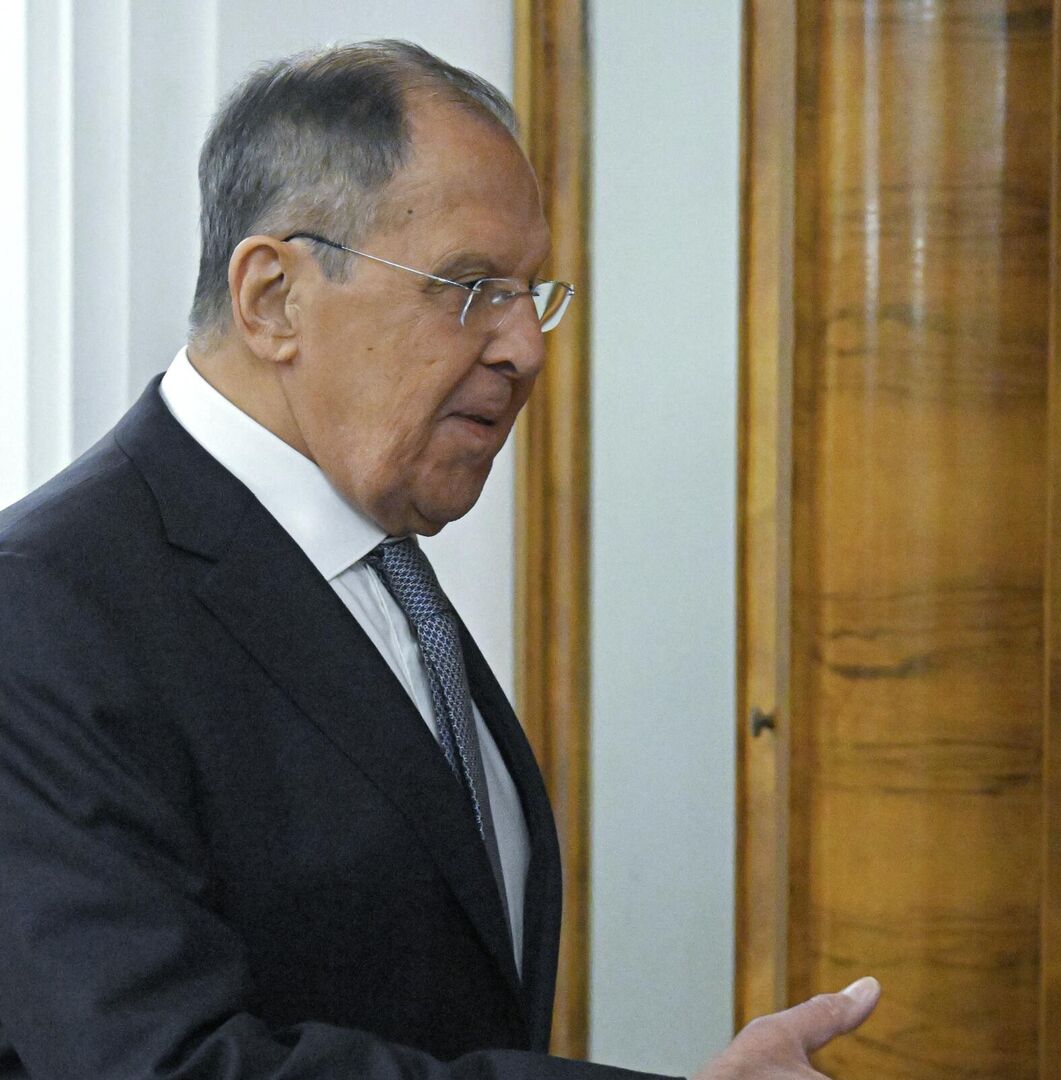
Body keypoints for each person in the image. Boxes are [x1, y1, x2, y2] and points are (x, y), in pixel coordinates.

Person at [0, 40, 874, 1080]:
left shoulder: (381, 565)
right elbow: (161, 1064)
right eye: (468, 287)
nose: (526, 348)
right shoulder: (42, 610)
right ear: (273, 298)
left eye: (531, 293)